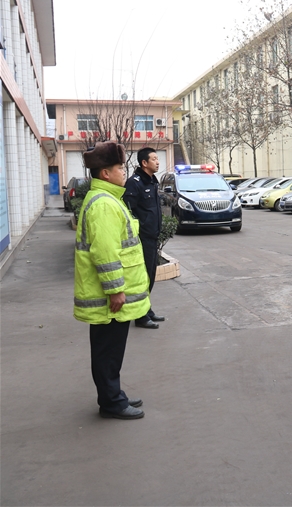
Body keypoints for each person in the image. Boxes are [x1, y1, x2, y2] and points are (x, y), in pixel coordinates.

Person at [74, 142, 151, 420]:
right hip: (110, 299)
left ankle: (113, 394)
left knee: (111, 350)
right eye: (120, 167)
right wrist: (116, 290)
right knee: (108, 351)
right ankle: (111, 403)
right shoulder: (104, 204)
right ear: (105, 173)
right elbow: (105, 252)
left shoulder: (107, 199)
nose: (124, 172)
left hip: (110, 296)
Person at [124, 147, 164, 329]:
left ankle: (146, 309)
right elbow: (129, 212)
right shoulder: (134, 183)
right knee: (143, 276)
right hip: (142, 238)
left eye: (157, 158)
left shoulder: (152, 182)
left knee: (151, 275)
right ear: (144, 163)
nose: (157, 162)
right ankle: (140, 316)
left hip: (152, 236)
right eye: (154, 159)